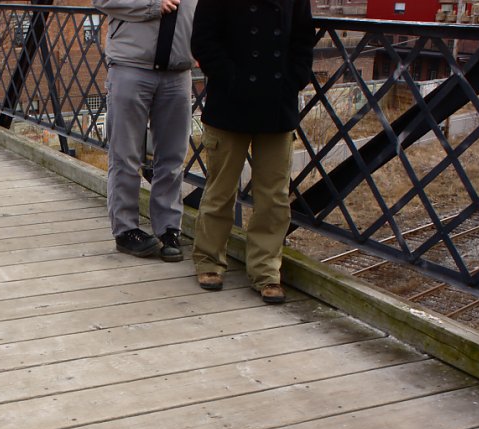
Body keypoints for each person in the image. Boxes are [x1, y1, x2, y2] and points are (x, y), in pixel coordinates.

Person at [190, 0, 314, 302]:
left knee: (273, 196)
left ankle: (266, 272)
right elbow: (203, 40)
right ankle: (209, 260)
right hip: (230, 103)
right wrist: (232, 78)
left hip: (277, 104)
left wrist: (295, 79)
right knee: (220, 190)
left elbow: (303, 38)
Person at [93, 0, 197, 262]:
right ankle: (126, 231)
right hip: (131, 66)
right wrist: (151, 5)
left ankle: (169, 229)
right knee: (125, 154)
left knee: (173, 156)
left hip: (179, 71)